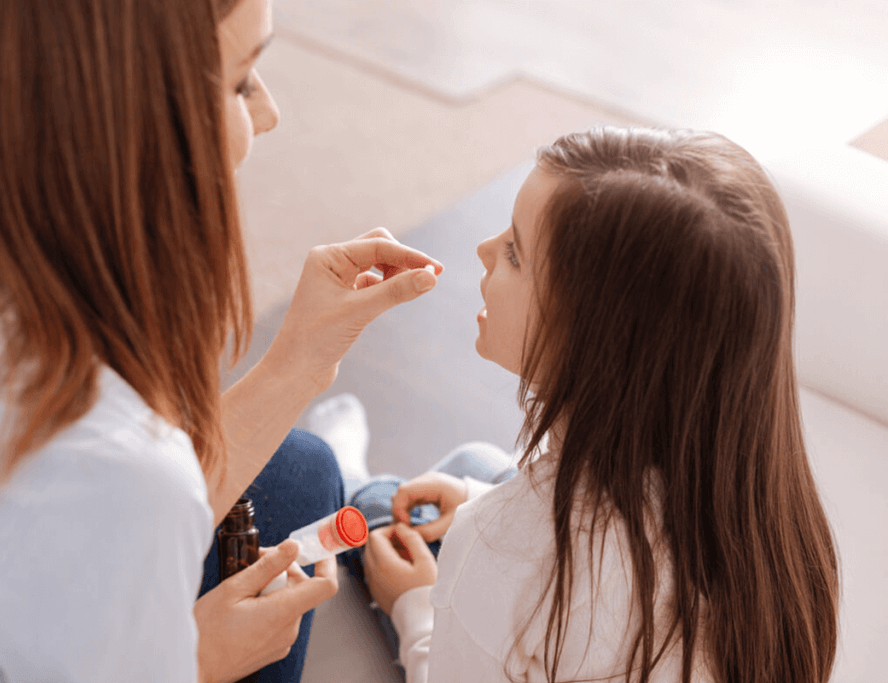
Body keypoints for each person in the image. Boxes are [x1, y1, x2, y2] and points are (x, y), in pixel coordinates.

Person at [0, 1, 442, 682]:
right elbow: (102, 490)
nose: (267, 114)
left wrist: (301, 362)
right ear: (126, 130)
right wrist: (195, 662)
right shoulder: (117, 476)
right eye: (239, 82)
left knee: (301, 466)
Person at [316, 127, 841, 683]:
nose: (484, 249)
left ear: (598, 341)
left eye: (515, 253)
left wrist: (416, 606)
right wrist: (478, 498)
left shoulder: (497, 552)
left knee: (379, 510)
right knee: (473, 466)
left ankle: (347, 484)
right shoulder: (774, 527)